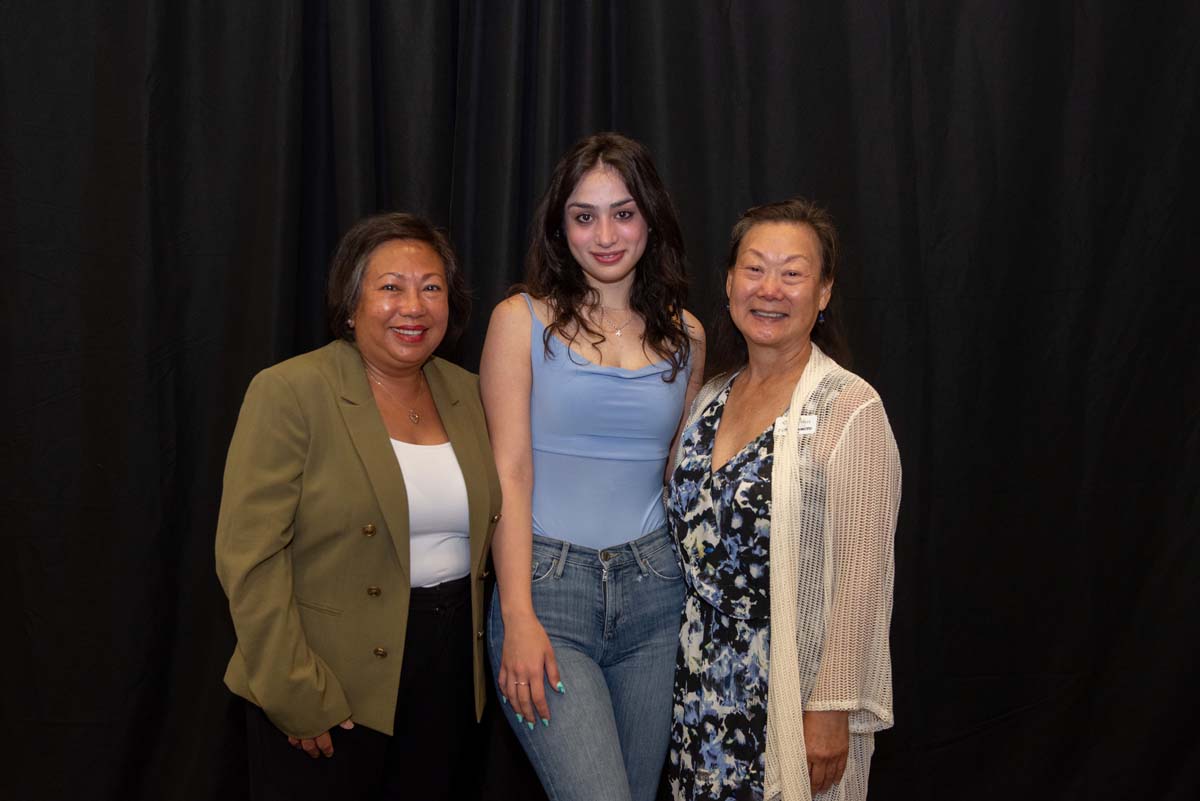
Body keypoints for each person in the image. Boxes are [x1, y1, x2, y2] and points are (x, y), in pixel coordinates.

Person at [215, 212, 501, 801]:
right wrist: (296, 693)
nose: (413, 306)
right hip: (331, 686)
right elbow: (248, 560)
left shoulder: (472, 393)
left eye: (431, 287)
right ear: (350, 304)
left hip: (450, 682)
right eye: (390, 287)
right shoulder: (291, 391)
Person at [479, 132, 705, 801]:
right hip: (548, 592)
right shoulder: (518, 320)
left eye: (623, 211)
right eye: (584, 215)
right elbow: (508, 474)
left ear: (650, 219)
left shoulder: (686, 334)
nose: (604, 234)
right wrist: (518, 613)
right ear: (561, 227)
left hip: (656, 596)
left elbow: (678, 475)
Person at [665, 198, 901, 801]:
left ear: (822, 293)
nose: (770, 289)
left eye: (792, 273)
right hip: (697, 691)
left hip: (789, 695)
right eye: (754, 269)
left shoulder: (850, 410)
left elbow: (860, 579)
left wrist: (831, 708)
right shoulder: (709, 397)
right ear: (728, 282)